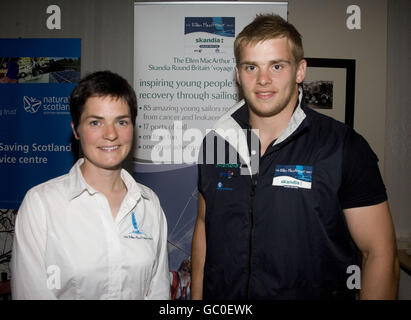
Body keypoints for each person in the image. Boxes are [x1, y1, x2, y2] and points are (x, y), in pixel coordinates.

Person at [191, 14, 399, 300]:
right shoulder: (216, 142)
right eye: (251, 67)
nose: (263, 79)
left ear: (300, 71)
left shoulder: (343, 147)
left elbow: (380, 253)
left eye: (277, 66)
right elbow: (204, 227)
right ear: (238, 74)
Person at [11, 71, 170, 299]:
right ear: (76, 129)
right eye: (96, 122)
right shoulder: (41, 204)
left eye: (121, 121)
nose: (111, 134)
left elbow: (158, 293)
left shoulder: (149, 204)